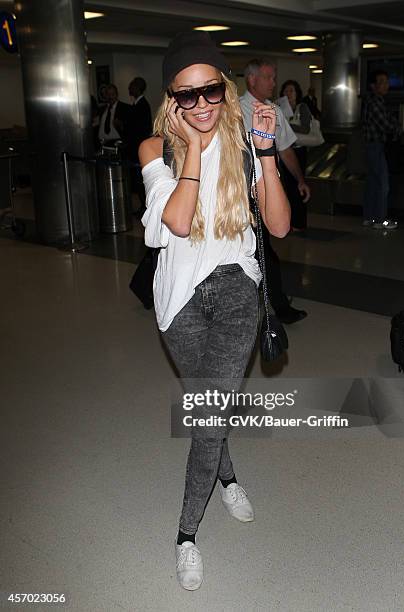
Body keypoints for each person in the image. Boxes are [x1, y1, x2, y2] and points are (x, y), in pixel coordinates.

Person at [139, 31, 290, 591]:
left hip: (234, 293)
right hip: (178, 301)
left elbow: (277, 226)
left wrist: (268, 155)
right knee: (214, 401)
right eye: (187, 95)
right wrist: (196, 150)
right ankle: (227, 476)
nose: (201, 105)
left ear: (226, 90)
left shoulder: (249, 144)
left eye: (210, 91)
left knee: (207, 414)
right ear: (171, 99)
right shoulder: (155, 148)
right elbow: (176, 221)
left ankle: (185, 535)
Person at [240, 58, 309, 324]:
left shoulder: (275, 111)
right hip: (243, 194)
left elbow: (286, 148)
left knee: (262, 249)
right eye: (268, 77)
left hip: (268, 189)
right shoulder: (235, 111)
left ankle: (275, 303)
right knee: (262, 251)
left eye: (274, 76)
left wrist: (300, 180)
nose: (273, 82)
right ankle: (279, 306)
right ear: (252, 79)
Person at [362, 70, 401, 229]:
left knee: (372, 183)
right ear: (374, 86)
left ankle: (369, 217)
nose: (386, 85)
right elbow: (386, 125)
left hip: (371, 146)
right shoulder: (376, 102)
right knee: (382, 184)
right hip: (375, 145)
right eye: (382, 82)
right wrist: (397, 128)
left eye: (387, 81)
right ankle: (380, 219)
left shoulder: (371, 101)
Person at [277, 80, 312, 231]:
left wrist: (287, 124)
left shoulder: (301, 108)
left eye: (291, 91)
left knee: (298, 185)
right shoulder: (279, 107)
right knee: (286, 187)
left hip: (298, 150)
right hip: (284, 150)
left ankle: (299, 222)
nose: (288, 94)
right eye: (286, 90)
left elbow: (305, 128)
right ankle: (288, 221)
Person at [128, 77, 153, 211]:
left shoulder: (143, 105)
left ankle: (145, 206)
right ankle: (142, 205)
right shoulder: (135, 105)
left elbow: (141, 129)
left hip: (139, 148)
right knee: (137, 181)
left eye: (132, 86)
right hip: (134, 148)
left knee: (141, 180)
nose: (129, 89)